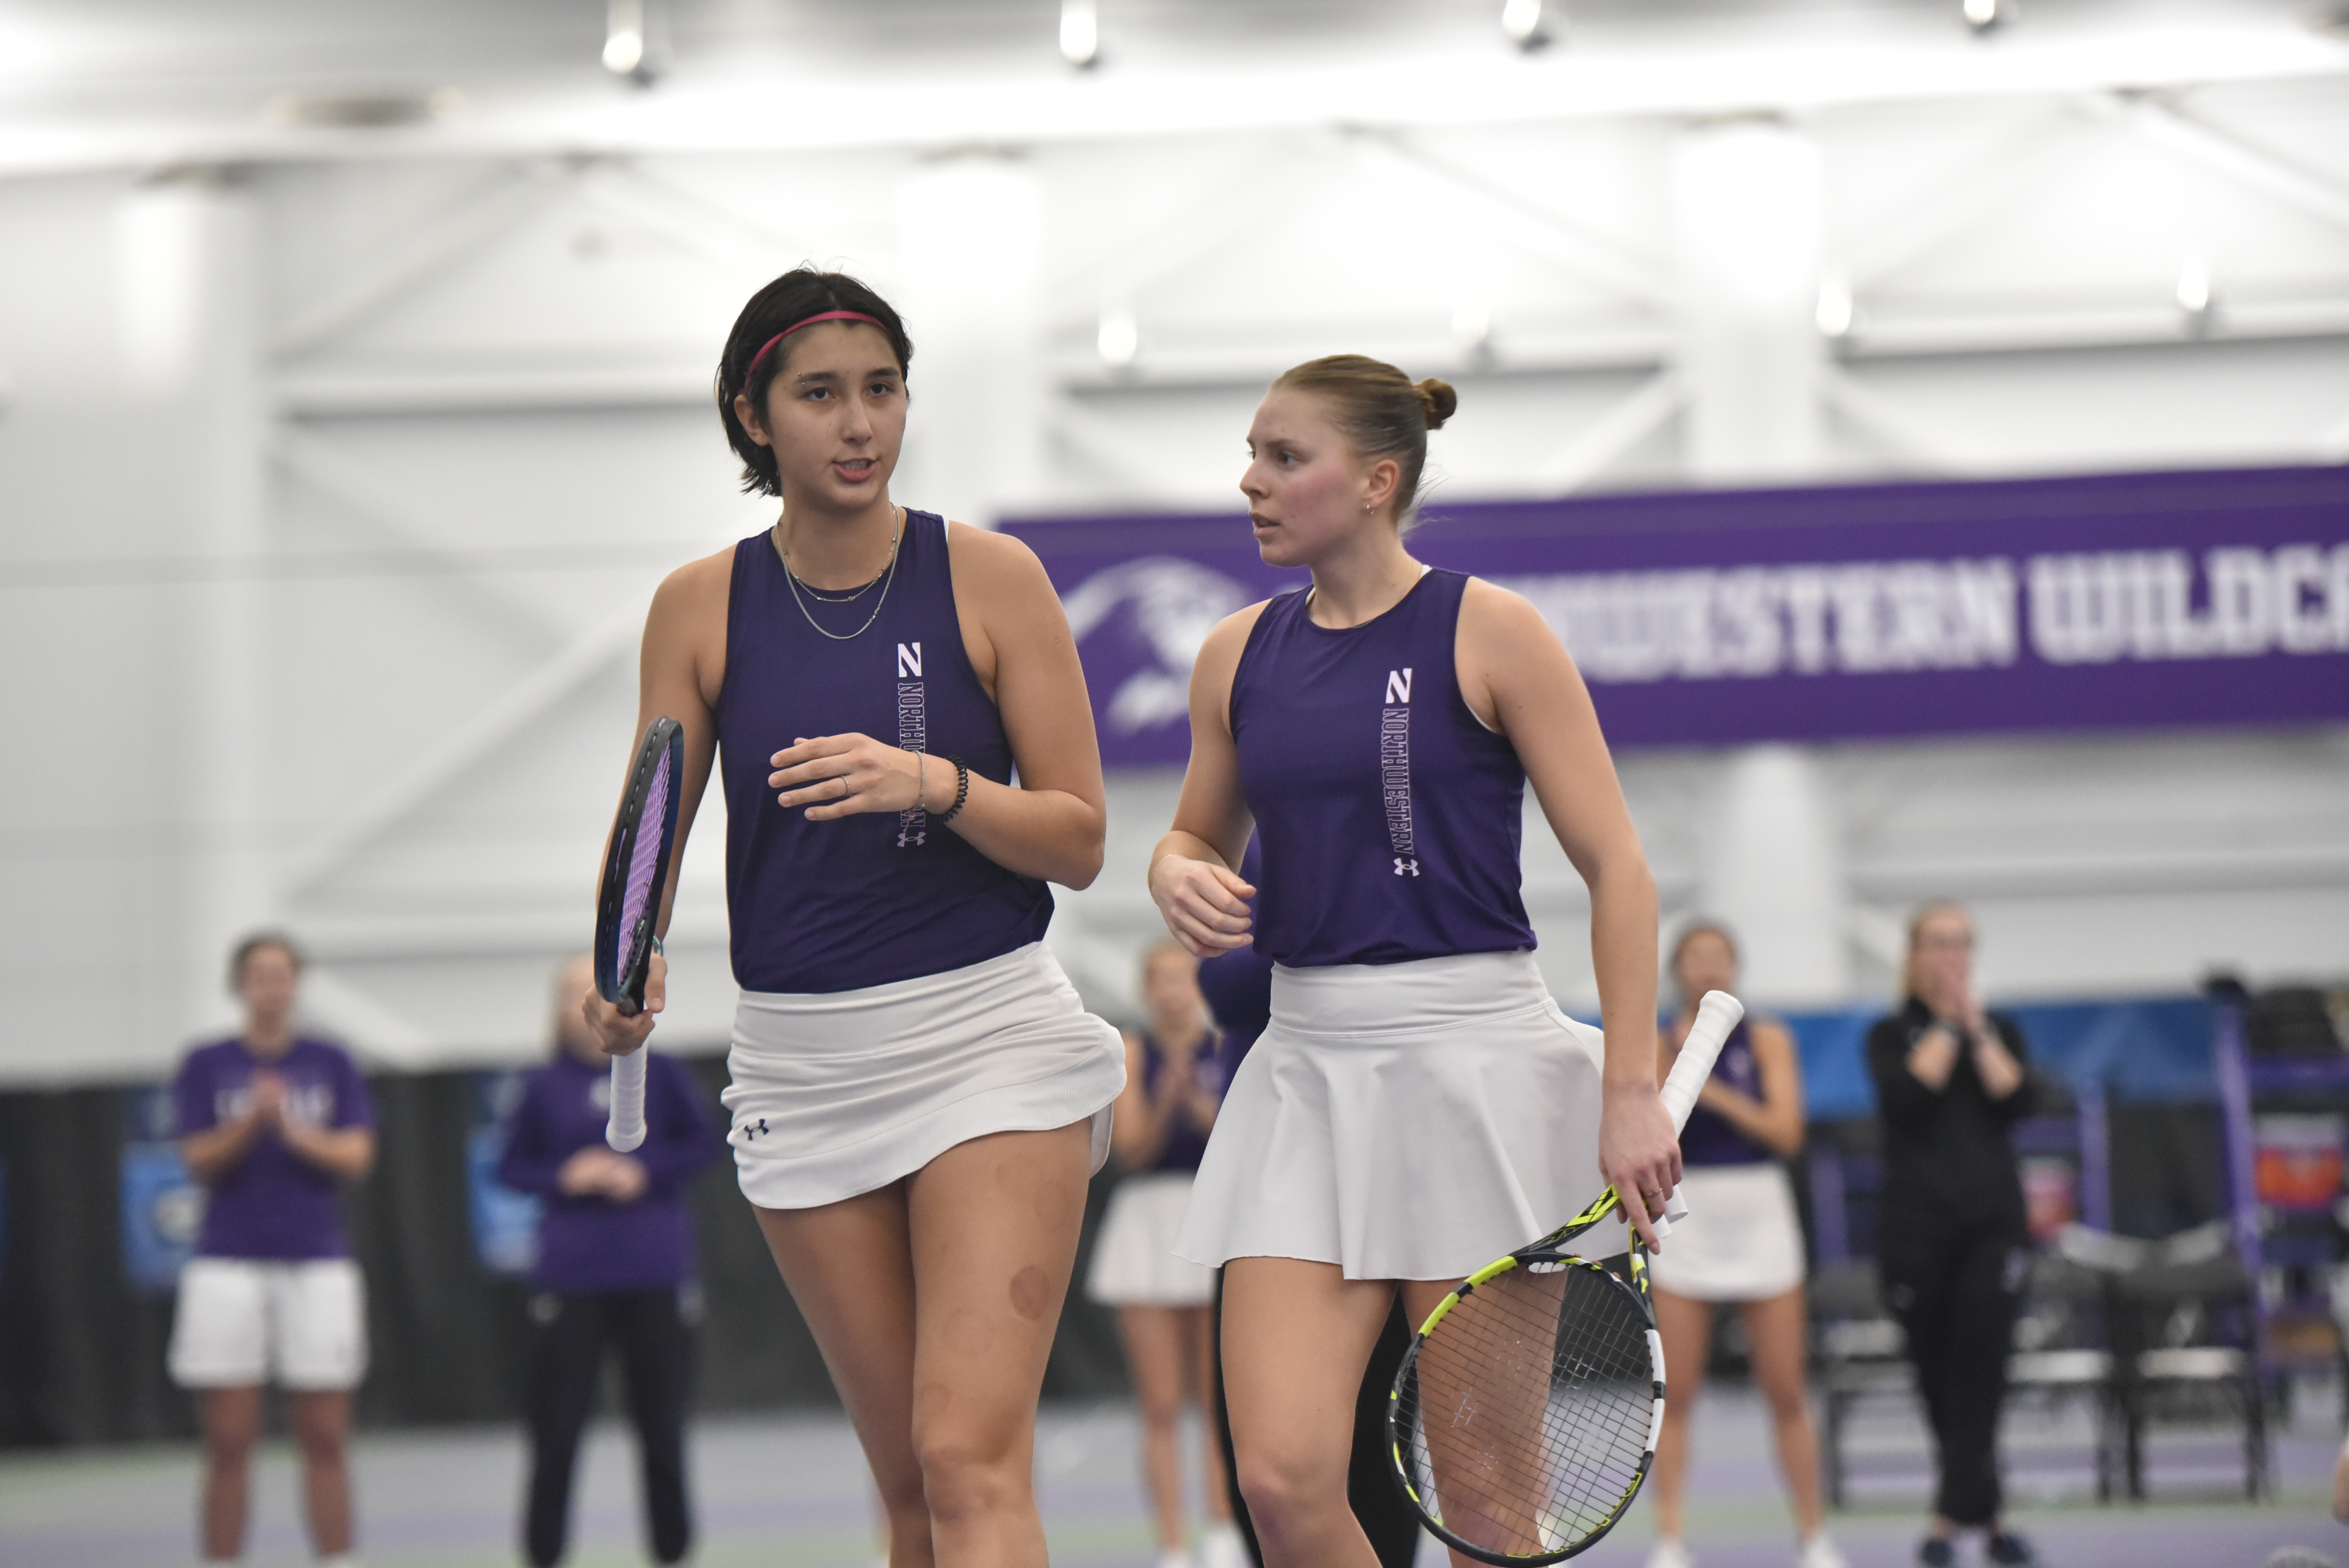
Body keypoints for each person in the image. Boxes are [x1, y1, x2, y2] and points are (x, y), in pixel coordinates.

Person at [582, 265, 1125, 1568]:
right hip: (801, 1063)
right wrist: (625, 957)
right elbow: (652, 811)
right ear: (752, 414)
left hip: (990, 1038)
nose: (858, 421)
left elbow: (1081, 835)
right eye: (819, 394)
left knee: (966, 1456)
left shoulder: (994, 578)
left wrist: (933, 783)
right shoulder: (697, 604)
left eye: (880, 389)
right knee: (908, 1491)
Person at [1148, 355, 1682, 1568]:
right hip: (1302, 1079)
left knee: (1489, 1508)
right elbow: (1194, 830)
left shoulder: (1493, 629)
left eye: (1286, 459)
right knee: (1282, 1485)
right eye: (1252, 454)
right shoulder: (1235, 654)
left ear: (1378, 480)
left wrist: (1631, 1086)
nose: (1252, 483)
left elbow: (1622, 873)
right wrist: (1172, 867)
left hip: (1477, 1069)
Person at [499, 956, 717, 1568]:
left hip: (654, 1273)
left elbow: (702, 1145)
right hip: (571, 1280)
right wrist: (566, 1174)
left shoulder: (664, 1074)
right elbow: (511, 1167)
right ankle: (544, 1554)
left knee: (662, 1430)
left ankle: (672, 1554)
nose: (583, 1003)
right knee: (556, 1430)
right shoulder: (540, 1085)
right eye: (571, 994)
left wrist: (641, 1170)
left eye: (590, 990)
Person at [169, 932, 375, 1568]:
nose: (272, 986)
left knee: (325, 1434)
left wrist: (293, 1128)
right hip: (227, 1263)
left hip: (316, 1262)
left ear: (296, 985)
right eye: (260, 974)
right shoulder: (206, 1063)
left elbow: (356, 1155)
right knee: (229, 1437)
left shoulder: (330, 1061)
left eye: (283, 974)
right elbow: (197, 1159)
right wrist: (249, 1122)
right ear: (240, 986)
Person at [1645, 922, 1843, 1568]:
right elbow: (1649, 1133)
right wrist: (1675, 1065)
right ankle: (1671, 1541)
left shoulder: (1767, 1039)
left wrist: (1712, 1082)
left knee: (1786, 1387)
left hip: (1760, 1210)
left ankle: (1813, 1537)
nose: (1707, 970)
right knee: (1678, 1391)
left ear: (1734, 970)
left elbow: (1786, 1133)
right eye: (1695, 959)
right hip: (1688, 1211)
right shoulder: (1653, 1045)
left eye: (1719, 959)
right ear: (1677, 971)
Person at [1866, 901, 2040, 1568]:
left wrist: (1978, 1031)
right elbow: (1908, 1100)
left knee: (1984, 1375)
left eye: (1961, 943)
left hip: (1992, 1228)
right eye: (1937, 943)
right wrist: (1946, 1025)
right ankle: (1990, 1519)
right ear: (1913, 956)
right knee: (1939, 1379)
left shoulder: (2002, 1031)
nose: (1950, 956)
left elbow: (2019, 1100)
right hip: (1915, 1232)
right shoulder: (1888, 1034)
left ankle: (1949, 1522)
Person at [1087, 941, 1248, 1568]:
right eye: (1162, 982)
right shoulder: (1131, 1051)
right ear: (1147, 990)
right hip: (1147, 1227)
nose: (1174, 993)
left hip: (1210, 1219)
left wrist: (1196, 1101)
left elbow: (1234, 1142)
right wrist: (1165, 1100)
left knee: (1216, 1401)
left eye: (1184, 980)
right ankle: (1173, 1546)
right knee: (1159, 1404)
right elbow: (1131, 1150)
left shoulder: (1225, 1046)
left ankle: (1223, 1533)